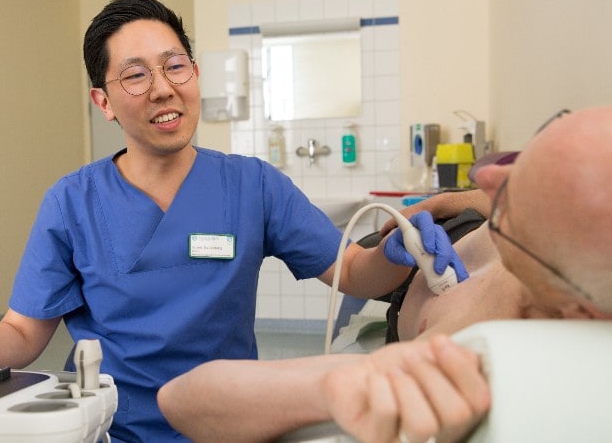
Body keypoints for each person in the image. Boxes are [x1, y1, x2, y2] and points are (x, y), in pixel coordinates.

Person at [0, 0, 467, 441]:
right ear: (104, 101)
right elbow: (21, 334)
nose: (164, 87)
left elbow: (351, 271)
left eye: (174, 65)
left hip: (230, 424)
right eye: (135, 75)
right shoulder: (71, 203)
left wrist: (398, 253)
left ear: (195, 72)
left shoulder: (253, 185)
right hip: (115, 430)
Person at [158, 105, 612, 442]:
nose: (489, 178)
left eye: (513, 199)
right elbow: (477, 199)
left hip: (400, 292)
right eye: (519, 161)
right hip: (434, 238)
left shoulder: (476, 343)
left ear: (576, 308)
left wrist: (332, 385)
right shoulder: (566, 230)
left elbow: (182, 400)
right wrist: (421, 213)